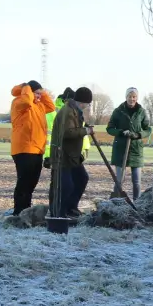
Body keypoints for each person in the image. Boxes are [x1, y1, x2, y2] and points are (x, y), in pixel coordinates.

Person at [8, 81, 54, 213]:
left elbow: (50, 106)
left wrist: (41, 92)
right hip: (24, 149)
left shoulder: (39, 106)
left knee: (31, 184)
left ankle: (25, 210)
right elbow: (27, 101)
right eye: (37, 93)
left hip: (37, 149)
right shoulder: (19, 103)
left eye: (41, 94)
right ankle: (18, 211)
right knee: (24, 183)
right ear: (28, 91)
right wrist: (26, 87)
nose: (39, 96)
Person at [105, 87, 152, 199]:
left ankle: (137, 203)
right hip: (120, 149)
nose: (132, 99)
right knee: (119, 181)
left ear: (137, 97)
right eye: (130, 96)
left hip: (136, 149)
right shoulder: (118, 111)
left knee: (136, 182)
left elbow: (148, 129)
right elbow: (110, 128)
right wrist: (121, 132)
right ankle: (116, 202)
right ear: (126, 97)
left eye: (134, 96)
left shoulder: (141, 112)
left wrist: (138, 135)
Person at [53, 87, 92, 217]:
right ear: (82, 102)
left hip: (72, 155)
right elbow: (67, 133)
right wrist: (85, 131)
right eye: (87, 104)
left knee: (82, 178)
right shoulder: (68, 112)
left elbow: (73, 127)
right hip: (63, 155)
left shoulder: (74, 111)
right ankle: (60, 212)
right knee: (67, 186)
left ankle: (71, 208)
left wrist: (83, 127)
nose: (87, 107)